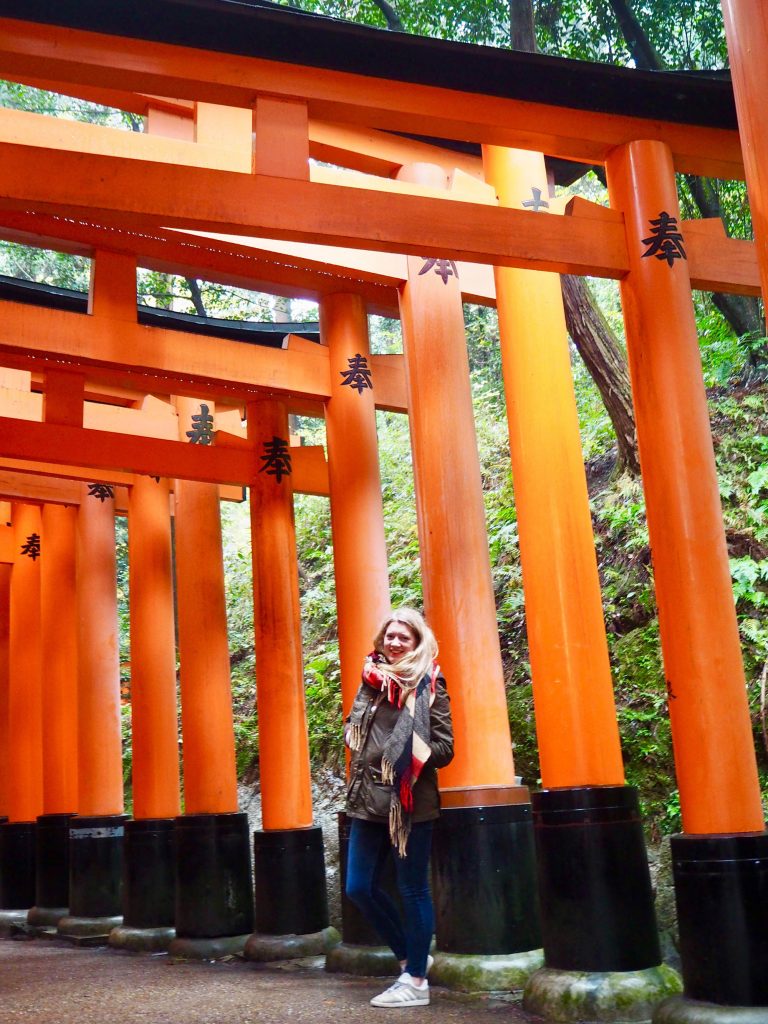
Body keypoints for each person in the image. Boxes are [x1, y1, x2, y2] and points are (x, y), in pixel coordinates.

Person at [344, 607, 454, 1008]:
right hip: (365, 798)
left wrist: (403, 754)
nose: (393, 643)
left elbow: (444, 747)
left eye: (402, 638)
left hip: (407, 803)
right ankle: (411, 958)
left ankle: (416, 983)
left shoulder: (429, 684)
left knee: (412, 889)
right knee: (358, 887)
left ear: (417, 642)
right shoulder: (371, 678)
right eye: (389, 636)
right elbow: (357, 727)